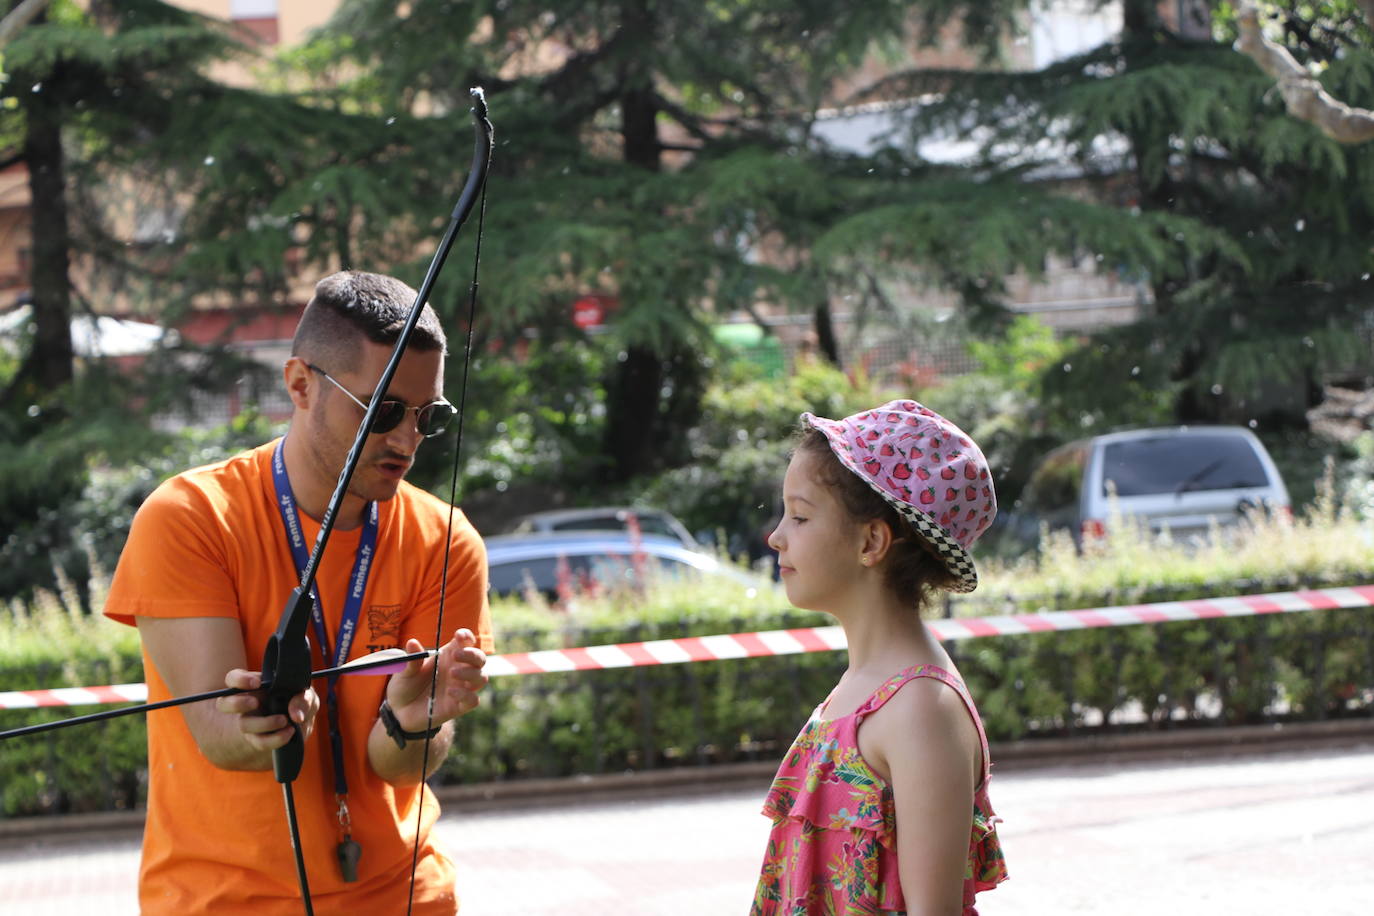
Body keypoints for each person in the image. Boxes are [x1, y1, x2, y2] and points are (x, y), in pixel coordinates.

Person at [103, 270, 493, 915]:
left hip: (403, 896)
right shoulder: (191, 517)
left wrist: (413, 722)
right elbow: (221, 743)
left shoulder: (447, 541)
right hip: (226, 901)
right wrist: (264, 725)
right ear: (300, 385)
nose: (406, 439)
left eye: (430, 416)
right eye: (383, 410)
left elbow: (396, 766)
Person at [751, 399, 1008, 915]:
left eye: (800, 516)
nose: (776, 536)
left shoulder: (920, 708)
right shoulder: (864, 684)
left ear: (871, 541)